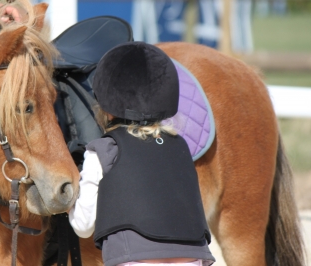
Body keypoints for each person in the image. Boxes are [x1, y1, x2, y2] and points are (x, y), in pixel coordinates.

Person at [68, 42, 215, 266]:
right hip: (194, 257)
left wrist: (68, 201)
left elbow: (83, 225)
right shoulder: (180, 147)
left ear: (106, 110)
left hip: (133, 259)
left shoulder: (102, 151)